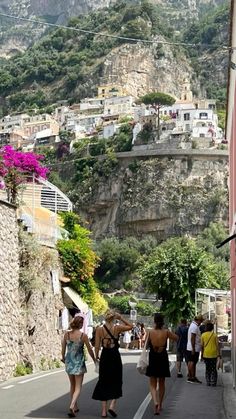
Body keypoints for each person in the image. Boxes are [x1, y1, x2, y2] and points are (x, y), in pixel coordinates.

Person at [92, 310, 132, 418]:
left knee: (103, 381)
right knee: (117, 380)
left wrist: (96, 357)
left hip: (105, 356)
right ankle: (112, 405)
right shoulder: (117, 328)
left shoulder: (99, 329)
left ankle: (104, 411)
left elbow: (96, 346)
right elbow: (130, 326)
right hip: (115, 356)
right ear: (113, 318)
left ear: (105, 318)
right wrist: (121, 318)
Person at [61, 314, 95, 417]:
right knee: (78, 386)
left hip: (69, 362)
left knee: (72, 385)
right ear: (80, 324)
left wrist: (63, 358)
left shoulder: (66, 335)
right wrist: (94, 360)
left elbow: (63, 349)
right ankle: (72, 405)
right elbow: (89, 350)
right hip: (79, 363)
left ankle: (75, 406)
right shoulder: (83, 336)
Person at [145, 313, 178, 415]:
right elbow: (176, 338)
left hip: (153, 357)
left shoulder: (150, 332)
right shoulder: (166, 332)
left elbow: (145, 345)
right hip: (162, 356)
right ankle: (160, 404)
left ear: (154, 321)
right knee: (162, 382)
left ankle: (154, 401)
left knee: (152, 383)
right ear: (163, 321)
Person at [201, 320, 220, 386]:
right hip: (213, 354)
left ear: (206, 328)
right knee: (213, 368)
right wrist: (219, 354)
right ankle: (213, 382)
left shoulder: (203, 335)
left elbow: (202, 346)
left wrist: (201, 355)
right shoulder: (215, 335)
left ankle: (208, 381)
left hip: (206, 354)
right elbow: (217, 346)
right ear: (212, 328)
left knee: (207, 368)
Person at [186, 314, 204, 384]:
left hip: (192, 347)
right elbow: (192, 338)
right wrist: (193, 349)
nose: (201, 322)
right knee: (192, 362)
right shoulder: (194, 327)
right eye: (201, 321)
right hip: (193, 348)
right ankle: (191, 377)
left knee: (192, 362)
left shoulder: (193, 325)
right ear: (198, 320)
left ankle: (192, 376)